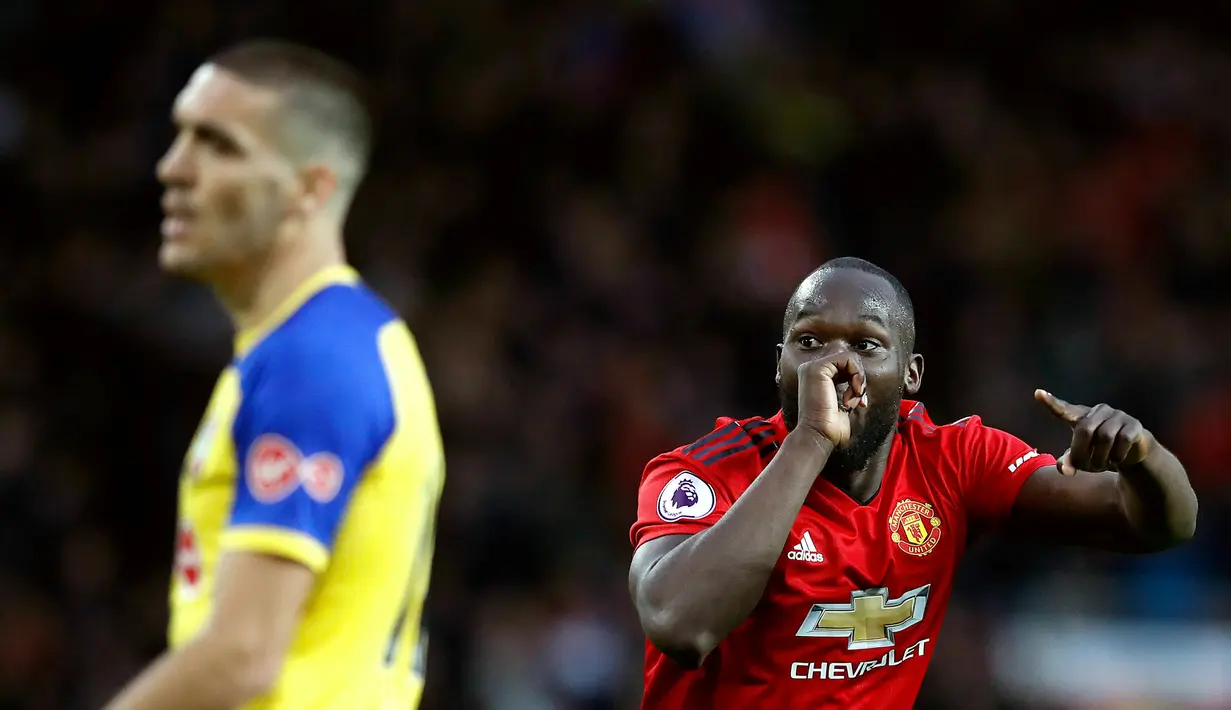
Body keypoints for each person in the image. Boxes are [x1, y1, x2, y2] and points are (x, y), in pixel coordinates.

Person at [628, 257, 1198, 709]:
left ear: (910, 374)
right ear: (780, 366)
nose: (836, 365)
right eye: (809, 343)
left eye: (867, 346)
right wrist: (810, 440)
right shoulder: (703, 472)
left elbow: (1159, 523)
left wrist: (1144, 455)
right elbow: (681, 626)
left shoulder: (954, 461)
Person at [104, 40, 445, 710]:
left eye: (218, 146)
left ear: (309, 189)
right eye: (178, 137)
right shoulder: (326, 343)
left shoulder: (312, 362)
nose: (174, 169)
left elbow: (242, 655)